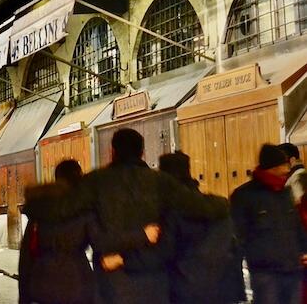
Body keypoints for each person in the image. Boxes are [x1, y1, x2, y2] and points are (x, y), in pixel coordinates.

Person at [23, 129, 228, 304]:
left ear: (113, 151)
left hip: (112, 283)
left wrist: (34, 203)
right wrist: (226, 202)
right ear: (142, 152)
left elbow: (62, 209)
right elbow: (198, 206)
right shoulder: (160, 182)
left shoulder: (97, 182)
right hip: (153, 281)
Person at [19, 159, 158, 304]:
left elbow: (26, 258)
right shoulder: (82, 208)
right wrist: (142, 235)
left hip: (42, 284)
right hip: (77, 284)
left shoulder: (40, 209)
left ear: (57, 178)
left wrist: (23, 298)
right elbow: (103, 241)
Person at [158, 152, 244, 304]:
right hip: (222, 289)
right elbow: (235, 247)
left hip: (183, 292)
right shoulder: (219, 207)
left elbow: (165, 252)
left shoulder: (171, 211)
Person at [231, 144, 307, 304]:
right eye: (283, 165)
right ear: (271, 167)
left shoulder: (285, 192)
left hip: (292, 268)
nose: (287, 169)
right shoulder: (245, 196)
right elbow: (238, 236)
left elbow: (296, 226)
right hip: (265, 273)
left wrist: (304, 250)